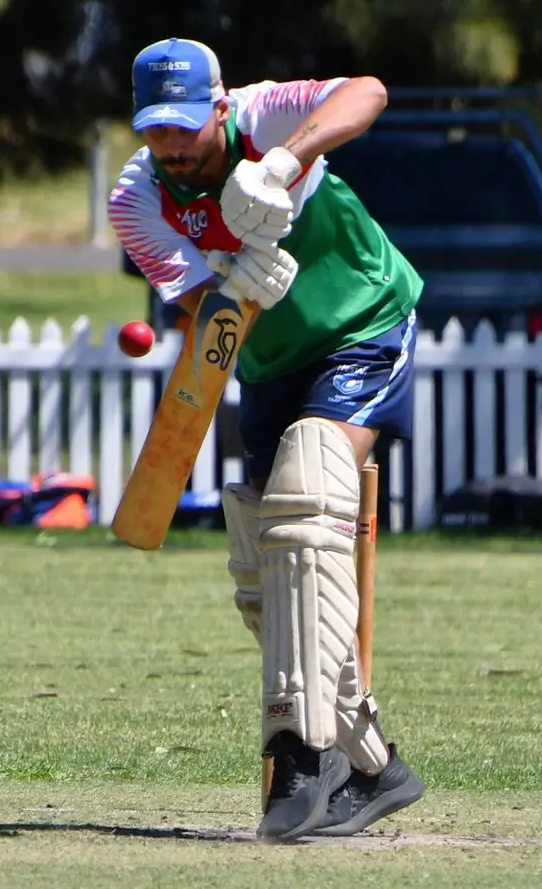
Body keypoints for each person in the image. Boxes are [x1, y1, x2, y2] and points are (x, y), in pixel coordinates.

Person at [107, 37, 425, 841]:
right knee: (263, 567)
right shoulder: (134, 199)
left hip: (364, 321)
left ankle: (301, 753)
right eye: (156, 131)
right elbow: (198, 306)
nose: (172, 146)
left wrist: (281, 164)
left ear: (218, 105)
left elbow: (369, 89)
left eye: (185, 126)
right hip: (272, 359)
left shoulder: (262, 113)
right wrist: (235, 285)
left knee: (306, 494)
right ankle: (374, 763)